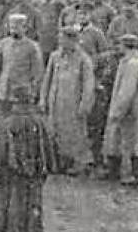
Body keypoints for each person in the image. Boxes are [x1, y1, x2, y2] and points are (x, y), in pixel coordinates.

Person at [0, 85, 56, 232]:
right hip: (32, 179)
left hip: (7, 178)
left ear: (15, 102)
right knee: (27, 217)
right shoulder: (40, 124)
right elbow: (49, 154)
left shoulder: (6, 124)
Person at [39, 25, 96, 174]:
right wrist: (43, 99)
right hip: (56, 101)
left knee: (74, 134)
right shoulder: (55, 56)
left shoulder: (84, 59)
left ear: (73, 41)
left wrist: (85, 104)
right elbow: (47, 79)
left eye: (63, 40)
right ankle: (57, 163)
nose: (61, 43)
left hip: (73, 103)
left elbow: (88, 84)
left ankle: (76, 164)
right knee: (55, 132)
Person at [103, 33, 138, 185]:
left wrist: (117, 111)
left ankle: (134, 174)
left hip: (132, 108)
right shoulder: (127, 62)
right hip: (129, 106)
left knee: (133, 140)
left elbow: (127, 90)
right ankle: (116, 171)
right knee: (119, 139)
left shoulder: (132, 64)